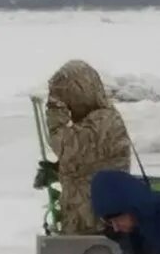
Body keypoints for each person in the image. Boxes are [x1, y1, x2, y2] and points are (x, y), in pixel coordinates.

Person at [39, 60, 131, 235]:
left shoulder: (103, 121)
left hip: (96, 223)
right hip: (84, 218)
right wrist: (57, 170)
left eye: (67, 95)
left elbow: (63, 145)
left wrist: (55, 113)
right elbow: (87, 162)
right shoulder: (94, 119)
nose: (66, 102)